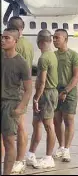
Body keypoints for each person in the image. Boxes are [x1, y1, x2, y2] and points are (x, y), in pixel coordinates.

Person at [1, 28, 32, 175]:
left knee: (8, 141)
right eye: (2, 37)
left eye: (7, 38)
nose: (3, 40)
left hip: (10, 104)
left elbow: (28, 89)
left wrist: (20, 108)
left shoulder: (21, 62)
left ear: (15, 41)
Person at [26, 30, 59, 169]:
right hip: (49, 92)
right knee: (37, 123)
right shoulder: (52, 55)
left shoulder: (44, 58)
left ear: (39, 42)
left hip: (47, 93)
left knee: (48, 125)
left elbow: (42, 81)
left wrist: (36, 97)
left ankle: (48, 157)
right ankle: (31, 153)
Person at [52, 29, 78, 162]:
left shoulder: (74, 55)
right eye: (53, 38)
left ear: (65, 39)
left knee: (68, 119)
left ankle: (67, 149)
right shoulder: (52, 55)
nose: (54, 40)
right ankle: (61, 146)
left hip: (69, 91)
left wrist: (66, 91)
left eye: (57, 38)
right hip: (54, 91)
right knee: (56, 120)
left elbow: (76, 76)